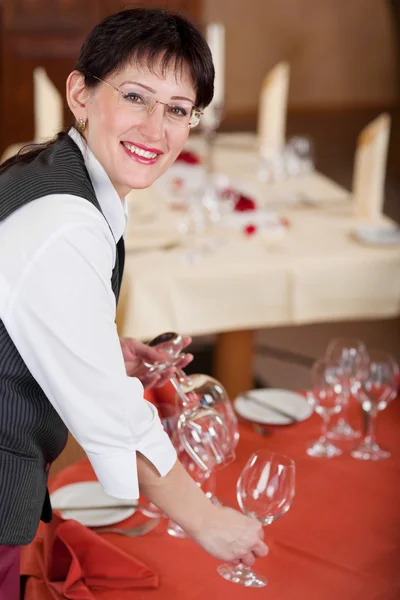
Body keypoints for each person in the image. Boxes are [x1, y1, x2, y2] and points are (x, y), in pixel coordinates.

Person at [0, 8, 267, 597]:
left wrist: (104, 351)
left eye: (177, 109)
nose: (155, 128)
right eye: (136, 97)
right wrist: (206, 519)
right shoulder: (65, 221)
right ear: (81, 93)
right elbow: (110, 416)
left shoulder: (45, 170)